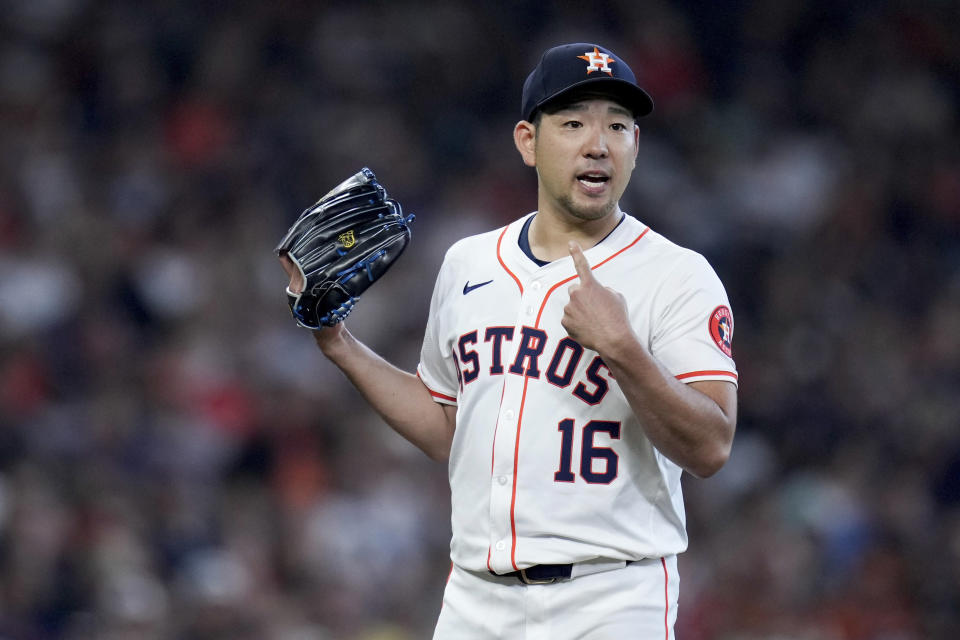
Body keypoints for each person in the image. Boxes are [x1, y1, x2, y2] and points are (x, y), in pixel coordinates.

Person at [279, 42, 738, 639]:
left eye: (617, 126)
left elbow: (711, 448)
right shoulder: (468, 261)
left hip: (613, 597)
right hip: (475, 599)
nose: (598, 143)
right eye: (573, 123)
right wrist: (338, 344)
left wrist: (623, 349)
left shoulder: (678, 275)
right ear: (528, 141)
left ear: (635, 147)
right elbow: (448, 427)